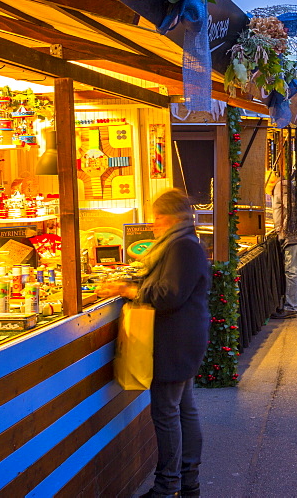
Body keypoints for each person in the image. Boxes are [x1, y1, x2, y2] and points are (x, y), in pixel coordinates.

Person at [97, 190, 210, 498]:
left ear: (173, 218)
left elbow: (169, 295)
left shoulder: (182, 247)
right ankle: (187, 483)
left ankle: (167, 487)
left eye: (158, 217)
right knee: (182, 409)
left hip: (174, 342)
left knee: (167, 413)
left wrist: (130, 290)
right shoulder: (182, 244)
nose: (154, 223)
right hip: (182, 339)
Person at [269, 171, 297, 319]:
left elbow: (292, 211)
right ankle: (295, 304)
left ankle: (291, 307)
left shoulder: (282, 186)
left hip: (292, 234)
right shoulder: (287, 186)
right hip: (294, 234)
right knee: (296, 270)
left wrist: (282, 230)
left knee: (292, 271)